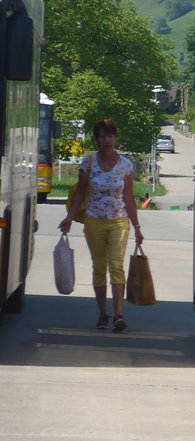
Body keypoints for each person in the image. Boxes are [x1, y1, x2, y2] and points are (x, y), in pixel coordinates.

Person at [58, 119, 144, 331]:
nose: (107, 140)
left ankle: (118, 314)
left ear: (115, 138)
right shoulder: (88, 163)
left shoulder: (125, 165)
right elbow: (80, 193)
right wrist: (69, 217)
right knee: (99, 267)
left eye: (110, 136)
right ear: (96, 140)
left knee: (116, 265)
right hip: (94, 220)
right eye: (103, 136)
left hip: (119, 221)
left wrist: (137, 226)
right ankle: (103, 314)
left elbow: (129, 197)